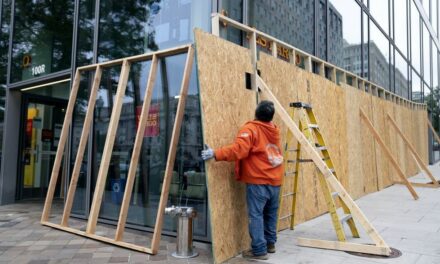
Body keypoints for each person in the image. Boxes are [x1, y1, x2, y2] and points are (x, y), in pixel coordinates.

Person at [201, 100, 284, 260]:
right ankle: (270, 244)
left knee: (256, 215)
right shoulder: (274, 130)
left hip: (259, 180)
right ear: (270, 117)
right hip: (275, 180)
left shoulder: (251, 129)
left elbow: (239, 150)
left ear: (256, 113)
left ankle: (260, 251)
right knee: (270, 213)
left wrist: (215, 153)